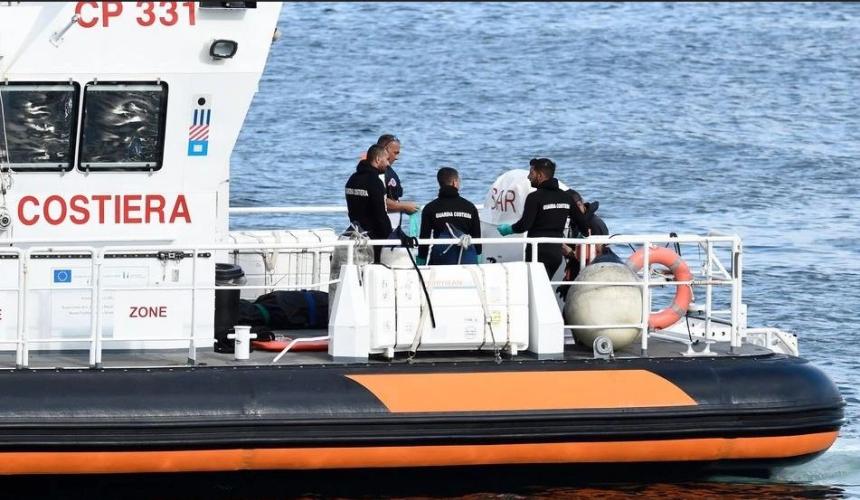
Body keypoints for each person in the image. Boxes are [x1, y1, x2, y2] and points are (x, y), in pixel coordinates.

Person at [497, 158, 589, 279]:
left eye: (531, 173)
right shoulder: (566, 197)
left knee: (535, 285)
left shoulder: (534, 197)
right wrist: (582, 237)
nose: (529, 177)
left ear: (540, 175)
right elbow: (583, 224)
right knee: (545, 283)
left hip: (537, 253)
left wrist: (508, 229)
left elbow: (525, 225)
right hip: (556, 254)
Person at [557, 189, 618, 298]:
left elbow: (598, 255)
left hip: (591, 277)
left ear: (581, 203)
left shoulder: (595, 224)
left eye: (575, 208)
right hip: (577, 272)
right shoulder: (575, 222)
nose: (571, 213)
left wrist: (570, 252)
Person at [417, 167, 482, 265]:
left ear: (439, 183)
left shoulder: (430, 208)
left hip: (441, 259)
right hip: (466, 258)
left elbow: (424, 240)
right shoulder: (470, 207)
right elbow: (477, 239)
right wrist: (479, 261)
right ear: (455, 183)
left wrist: (421, 262)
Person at [345, 144, 392, 263]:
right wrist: (390, 236)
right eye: (387, 159)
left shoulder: (352, 179)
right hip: (374, 238)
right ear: (378, 159)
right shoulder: (375, 182)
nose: (388, 164)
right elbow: (380, 215)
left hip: (356, 235)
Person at [376, 134, 418, 229]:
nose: (397, 157)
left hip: (392, 227)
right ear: (385, 150)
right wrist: (404, 207)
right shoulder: (379, 174)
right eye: (395, 153)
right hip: (384, 229)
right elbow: (379, 201)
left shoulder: (388, 172)